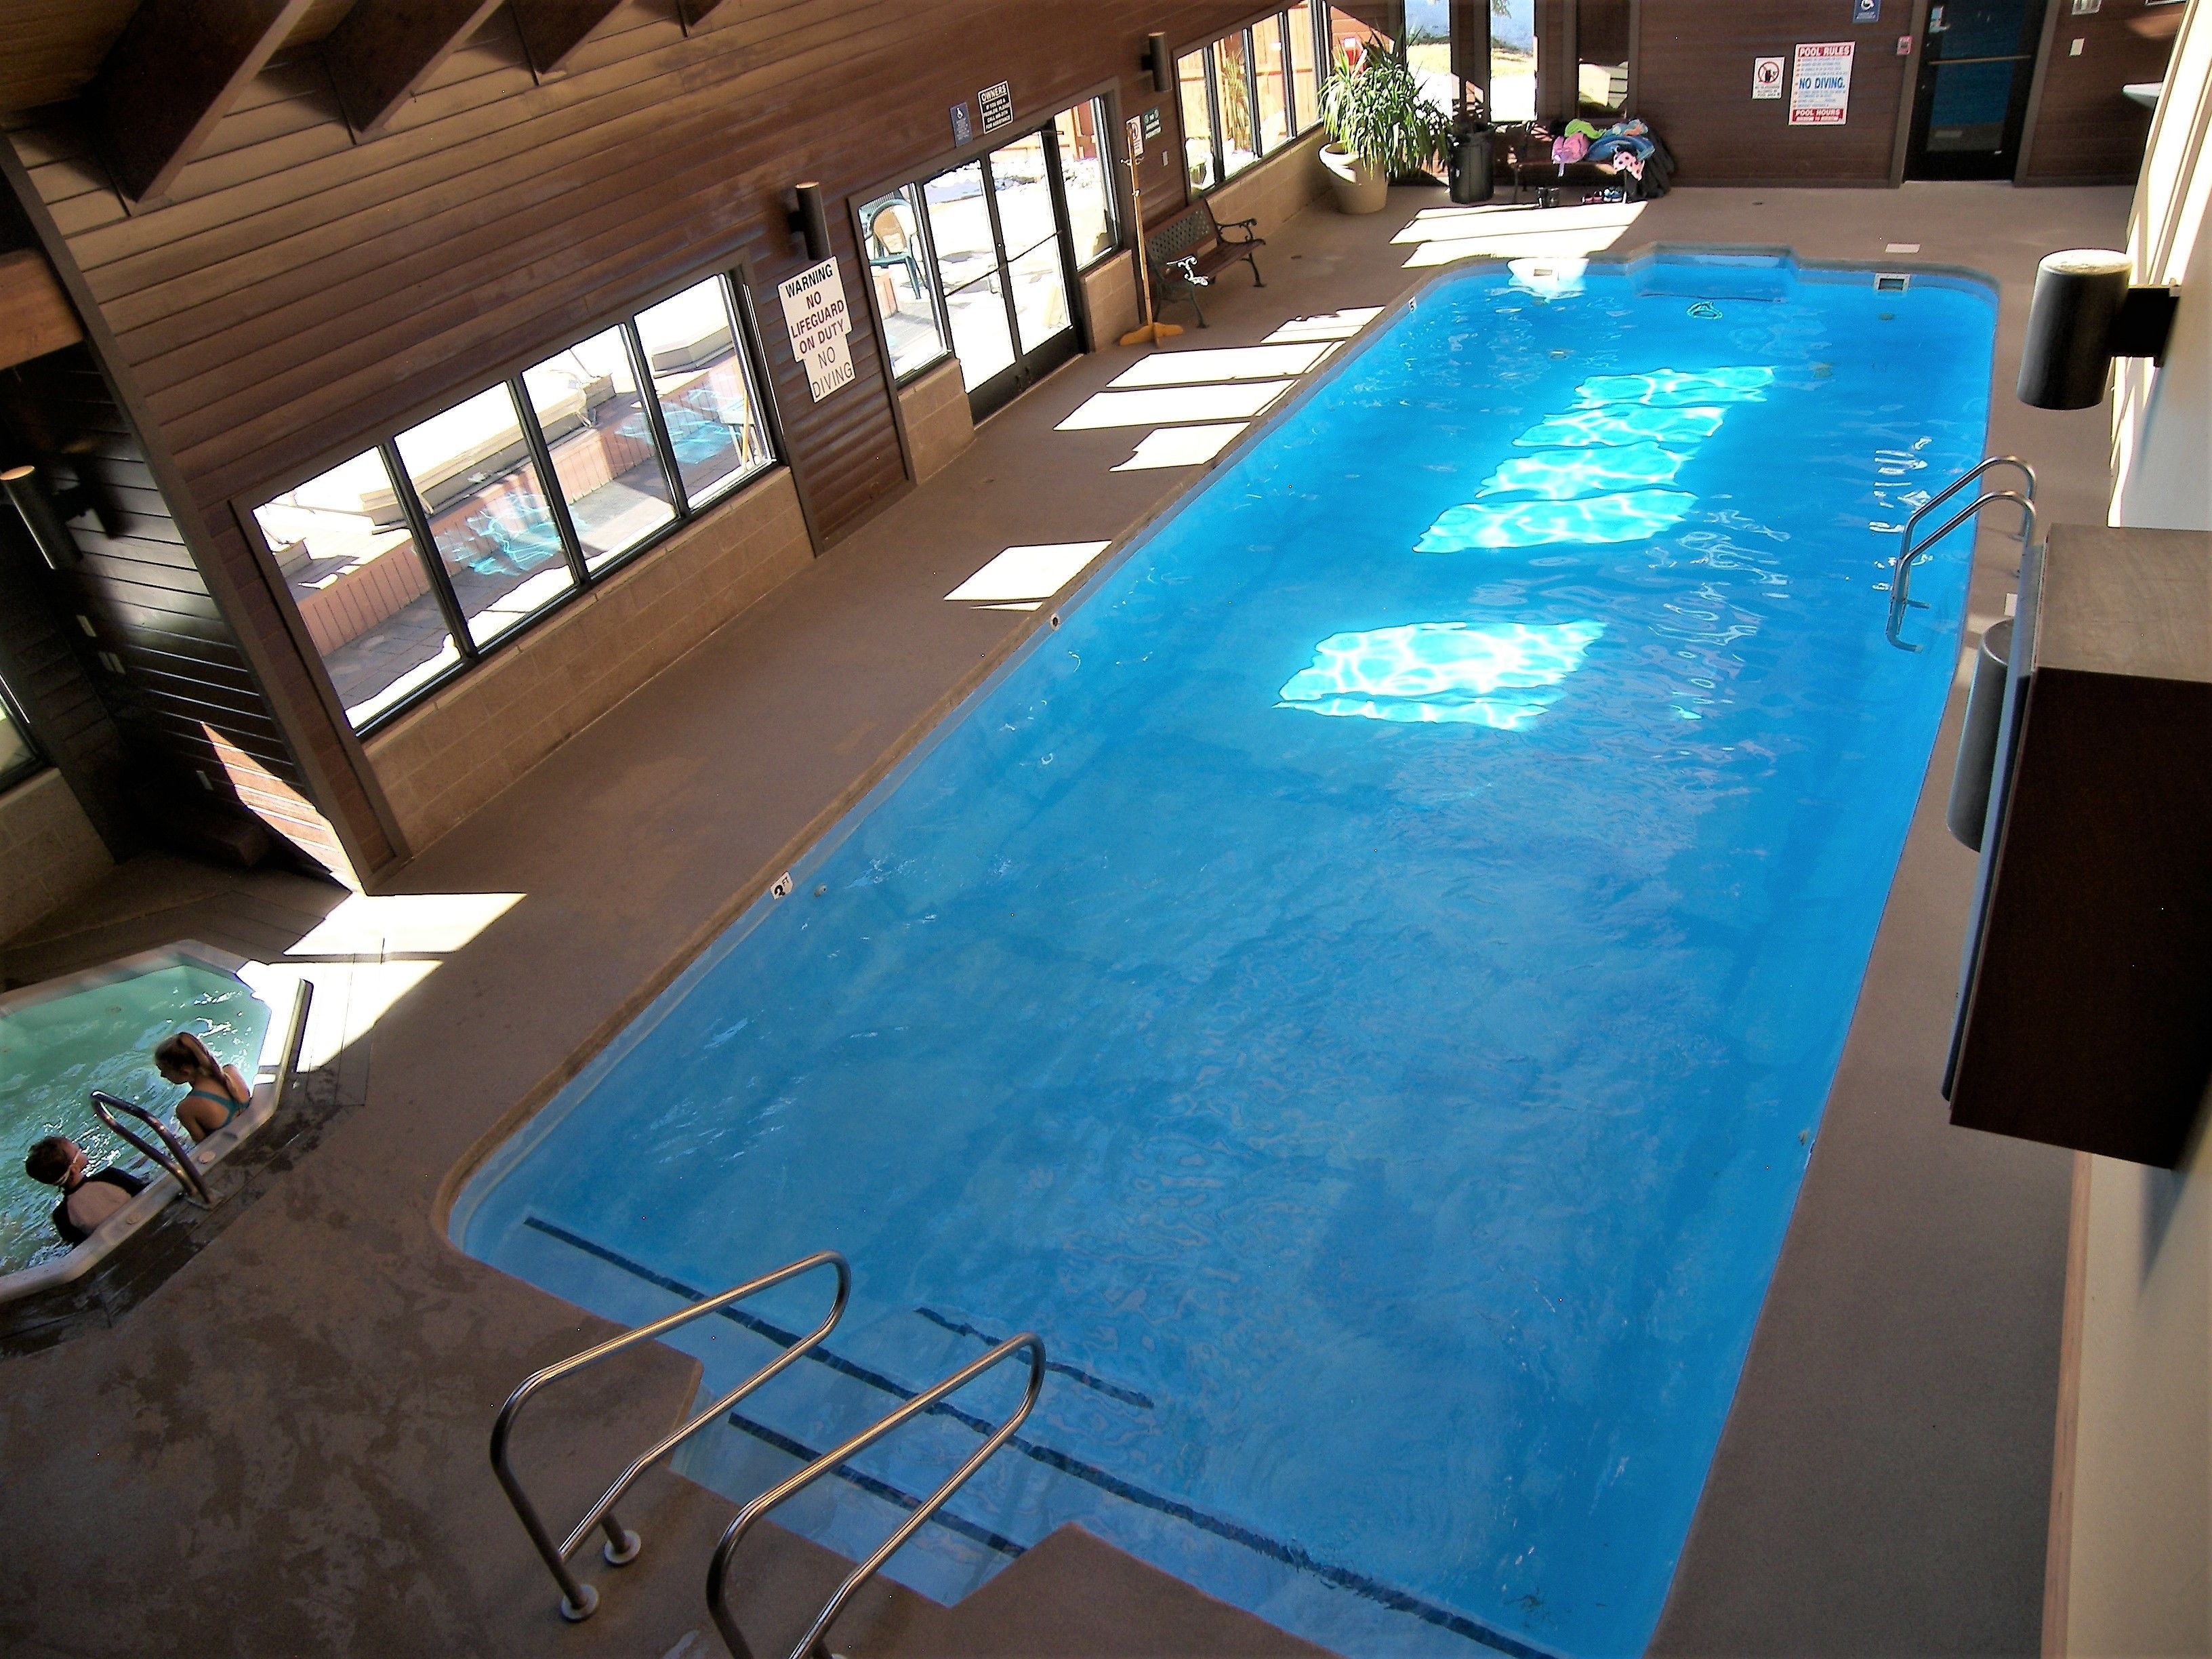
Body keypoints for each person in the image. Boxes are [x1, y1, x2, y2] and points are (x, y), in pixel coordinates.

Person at [24, 1136, 147, 1247]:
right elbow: (145, 1190)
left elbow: (80, 1246)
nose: (80, 1149)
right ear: (74, 1168)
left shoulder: (61, 1216)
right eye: (77, 1149)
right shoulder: (111, 1176)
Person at [154, 1030, 251, 1143]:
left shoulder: (185, 1109)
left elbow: (202, 1146)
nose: (162, 1075)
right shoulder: (231, 1072)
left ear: (185, 1072)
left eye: (164, 1071)